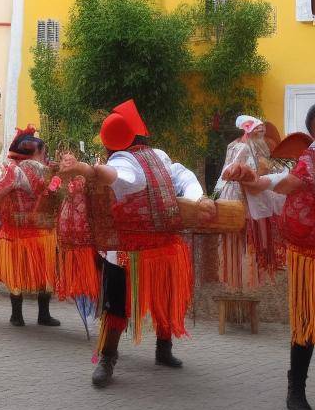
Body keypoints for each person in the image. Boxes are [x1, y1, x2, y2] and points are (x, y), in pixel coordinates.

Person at [223, 99, 315, 410]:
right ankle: (295, 389)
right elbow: (280, 185)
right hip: (313, 256)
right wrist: (248, 178)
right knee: (306, 325)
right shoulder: (310, 160)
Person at [60, 100, 216, 387]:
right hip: (124, 251)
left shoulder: (156, 156)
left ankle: (163, 349)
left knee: (166, 301)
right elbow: (119, 177)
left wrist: (197, 199)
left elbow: (183, 176)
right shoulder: (123, 162)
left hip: (161, 247)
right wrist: (89, 170)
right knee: (116, 307)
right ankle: (106, 358)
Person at [0, 126, 61, 327]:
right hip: (42, 232)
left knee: (15, 274)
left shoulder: (11, 170)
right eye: (42, 152)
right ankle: (44, 314)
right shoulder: (48, 171)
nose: (44, 155)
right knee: (46, 275)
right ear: (35, 152)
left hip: (14, 232)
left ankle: (16, 315)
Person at [215, 116, 286, 290]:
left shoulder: (256, 145)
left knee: (246, 236)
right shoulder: (241, 146)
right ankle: (239, 281)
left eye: (262, 129)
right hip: (240, 195)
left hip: (251, 192)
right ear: (248, 129)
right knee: (242, 234)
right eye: (258, 129)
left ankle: (243, 279)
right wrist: (259, 172)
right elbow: (231, 170)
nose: (261, 132)